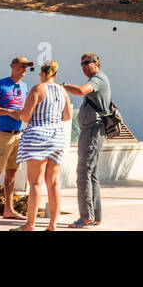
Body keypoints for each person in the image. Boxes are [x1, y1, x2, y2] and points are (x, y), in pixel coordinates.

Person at [15, 60, 70, 231]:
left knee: (36, 183)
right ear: (55, 75)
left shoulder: (38, 89)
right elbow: (67, 116)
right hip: (57, 138)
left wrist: (15, 113)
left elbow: (25, 116)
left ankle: (30, 224)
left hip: (37, 136)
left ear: (42, 74)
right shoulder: (62, 90)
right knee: (53, 183)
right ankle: (52, 225)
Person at [63, 52, 110, 228]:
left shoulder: (98, 79)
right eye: (81, 63)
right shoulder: (99, 79)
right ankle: (95, 216)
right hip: (92, 131)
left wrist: (63, 86)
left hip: (92, 131)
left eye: (86, 63)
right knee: (92, 174)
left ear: (96, 63)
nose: (83, 66)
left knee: (83, 173)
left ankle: (86, 217)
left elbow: (82, 90)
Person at [0, 56, 32, 222]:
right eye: (22, 66)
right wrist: (9, 112)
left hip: (18, 133)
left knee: (12, 173)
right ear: (12, 66)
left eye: (27, 66)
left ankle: (8, 209)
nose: (25, 69)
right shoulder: (0, 84)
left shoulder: (25, 86)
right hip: (2, 133)